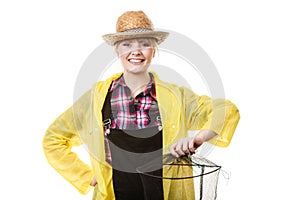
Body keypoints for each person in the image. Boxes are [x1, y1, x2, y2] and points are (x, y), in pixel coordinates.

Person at [43, 10, 240, 200]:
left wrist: (200, 137)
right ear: (117, 50)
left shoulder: (176, 97)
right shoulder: (97, 98)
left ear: (153, 50)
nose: (135, 51)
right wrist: (86, 177)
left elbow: (226, 110)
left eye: (144, 44)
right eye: (126, 44)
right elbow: (53, 139)